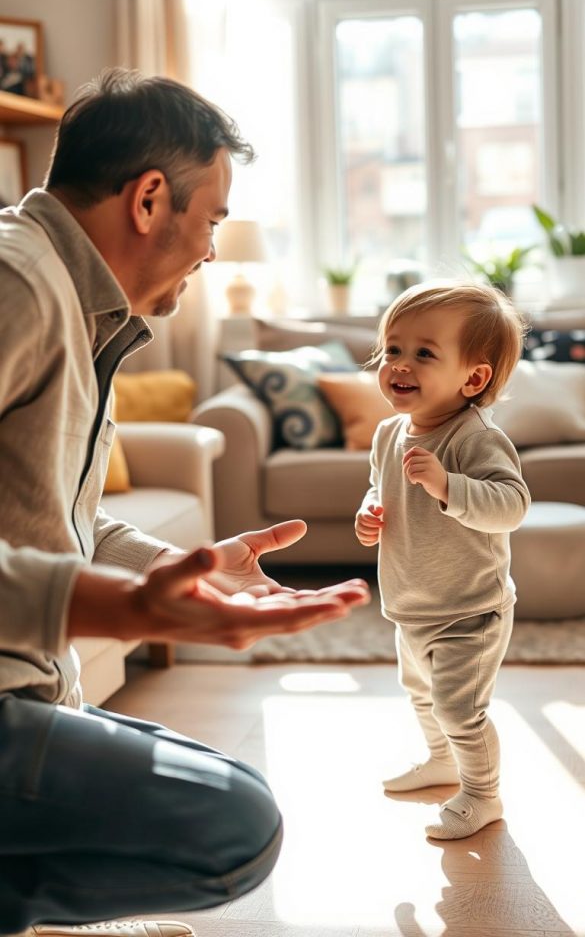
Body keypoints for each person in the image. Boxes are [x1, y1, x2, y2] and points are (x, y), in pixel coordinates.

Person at [0, 68, 371, 937]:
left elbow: (50, 511)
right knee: (230, 826)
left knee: (220, 788)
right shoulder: (18, 285)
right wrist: (118, 605)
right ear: (149, 199)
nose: (210, 249)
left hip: (28, 686)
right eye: (210, 221)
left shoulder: (74, 301)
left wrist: (168, 565)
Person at [355, 281, 530, 840]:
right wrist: (370, 512)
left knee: (461, 710)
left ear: (473, 378)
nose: (399, 365)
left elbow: (512, 505)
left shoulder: (475, 437)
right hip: (412, 601)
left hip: (470, 608)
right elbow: (376, 488)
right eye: (392, 350)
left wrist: (449, 485)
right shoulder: (388, 433)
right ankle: (441, 760)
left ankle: (483, 795)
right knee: (423, 695)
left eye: (423, 353)